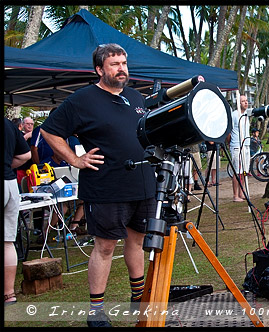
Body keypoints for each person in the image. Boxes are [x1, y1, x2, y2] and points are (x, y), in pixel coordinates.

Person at [40, 43, 156, 327]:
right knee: (104, 247)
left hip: (141, 183)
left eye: (124, 63)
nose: (122, 69)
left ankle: (137, 298)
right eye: (115, 64)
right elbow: (49, 131)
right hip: (105, 186)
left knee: (137, 241)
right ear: (99, 69)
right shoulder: (82, 100)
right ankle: (96, 311)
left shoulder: (136, 97)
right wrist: (75, 160)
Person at [4, 117, 32, 306]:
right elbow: (25, 155)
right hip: (9, 184)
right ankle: (9, 294)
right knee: (7, 242)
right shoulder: (7, 124)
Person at [227, 95, 251, 202]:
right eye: (243, 101)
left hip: (246, 145)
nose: (245, 103)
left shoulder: (246, 114)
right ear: (238, 103)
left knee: (244, 171)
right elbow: (229, 131)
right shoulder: (234, 115)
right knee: (237, 171)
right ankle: (235, 195)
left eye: (246, 101)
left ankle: (242, 192)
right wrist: (229, 143)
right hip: (237, 145)